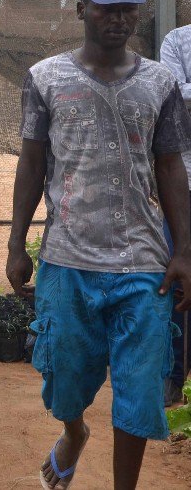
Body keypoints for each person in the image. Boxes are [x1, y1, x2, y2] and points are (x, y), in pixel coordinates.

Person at [7, 0, 191, 490]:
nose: (119, 19)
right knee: (64, 379)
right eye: (107, 8)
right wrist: (17, 244)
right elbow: (32, 162)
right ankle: (74, 433)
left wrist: (183, 251)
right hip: (68, 259)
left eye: (129, 10)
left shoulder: (160, 84)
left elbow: (170, 168)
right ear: (81, 6)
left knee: (138, 391)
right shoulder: (45, 78)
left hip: (142, 265)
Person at [157, 24, 191, 406]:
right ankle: (173, 378)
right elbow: (174, 96)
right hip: (184, 184)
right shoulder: (177, 41)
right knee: (179, 278)